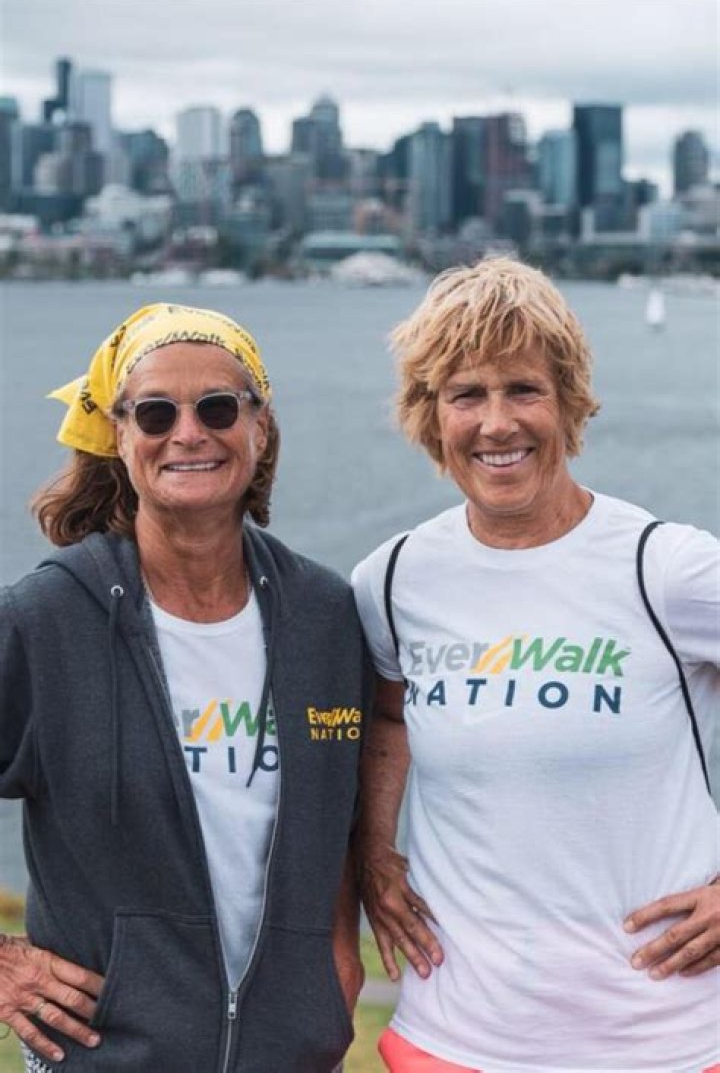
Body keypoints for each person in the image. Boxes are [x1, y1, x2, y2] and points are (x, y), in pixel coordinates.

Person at [351, 258, 720, 1073]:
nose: (496, 424)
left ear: (569, 403)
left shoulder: (665, 569)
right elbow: (387, 714)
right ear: (430, 415)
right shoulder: (395, 578)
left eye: (523, 390)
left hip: (666, 1041)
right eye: (466, 395)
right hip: (456, 1037)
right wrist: (375, 853)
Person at [0, 303, 372, 1072]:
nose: (189, 433)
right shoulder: (47, 620)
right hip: (107, 1057)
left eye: (218, 408)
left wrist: (336, 960)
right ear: (118, 436)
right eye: (156, 413)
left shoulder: (325, 614)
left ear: (260, 427)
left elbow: (337, 808)